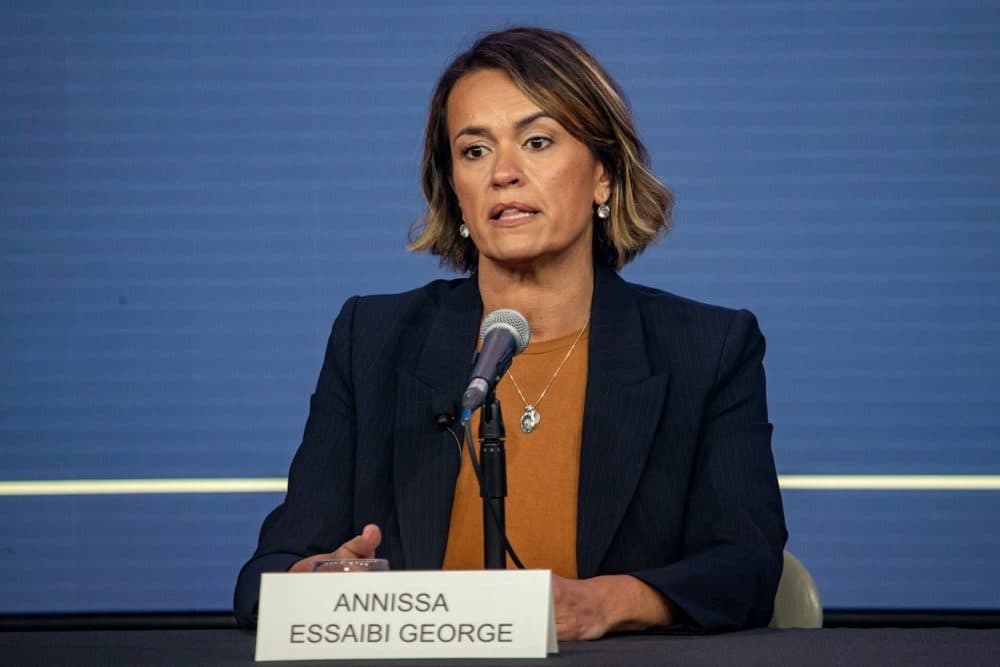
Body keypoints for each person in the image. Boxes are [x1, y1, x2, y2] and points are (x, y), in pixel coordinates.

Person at [234, 26, 786, 639]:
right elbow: (267, 576)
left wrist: (607, 602)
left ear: (603, 174)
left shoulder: (706, 349)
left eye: (538, 141)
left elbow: (746, 567)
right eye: (474, 151)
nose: (504, 173)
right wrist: (316, 581)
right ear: (456, 192)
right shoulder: (373, 340)